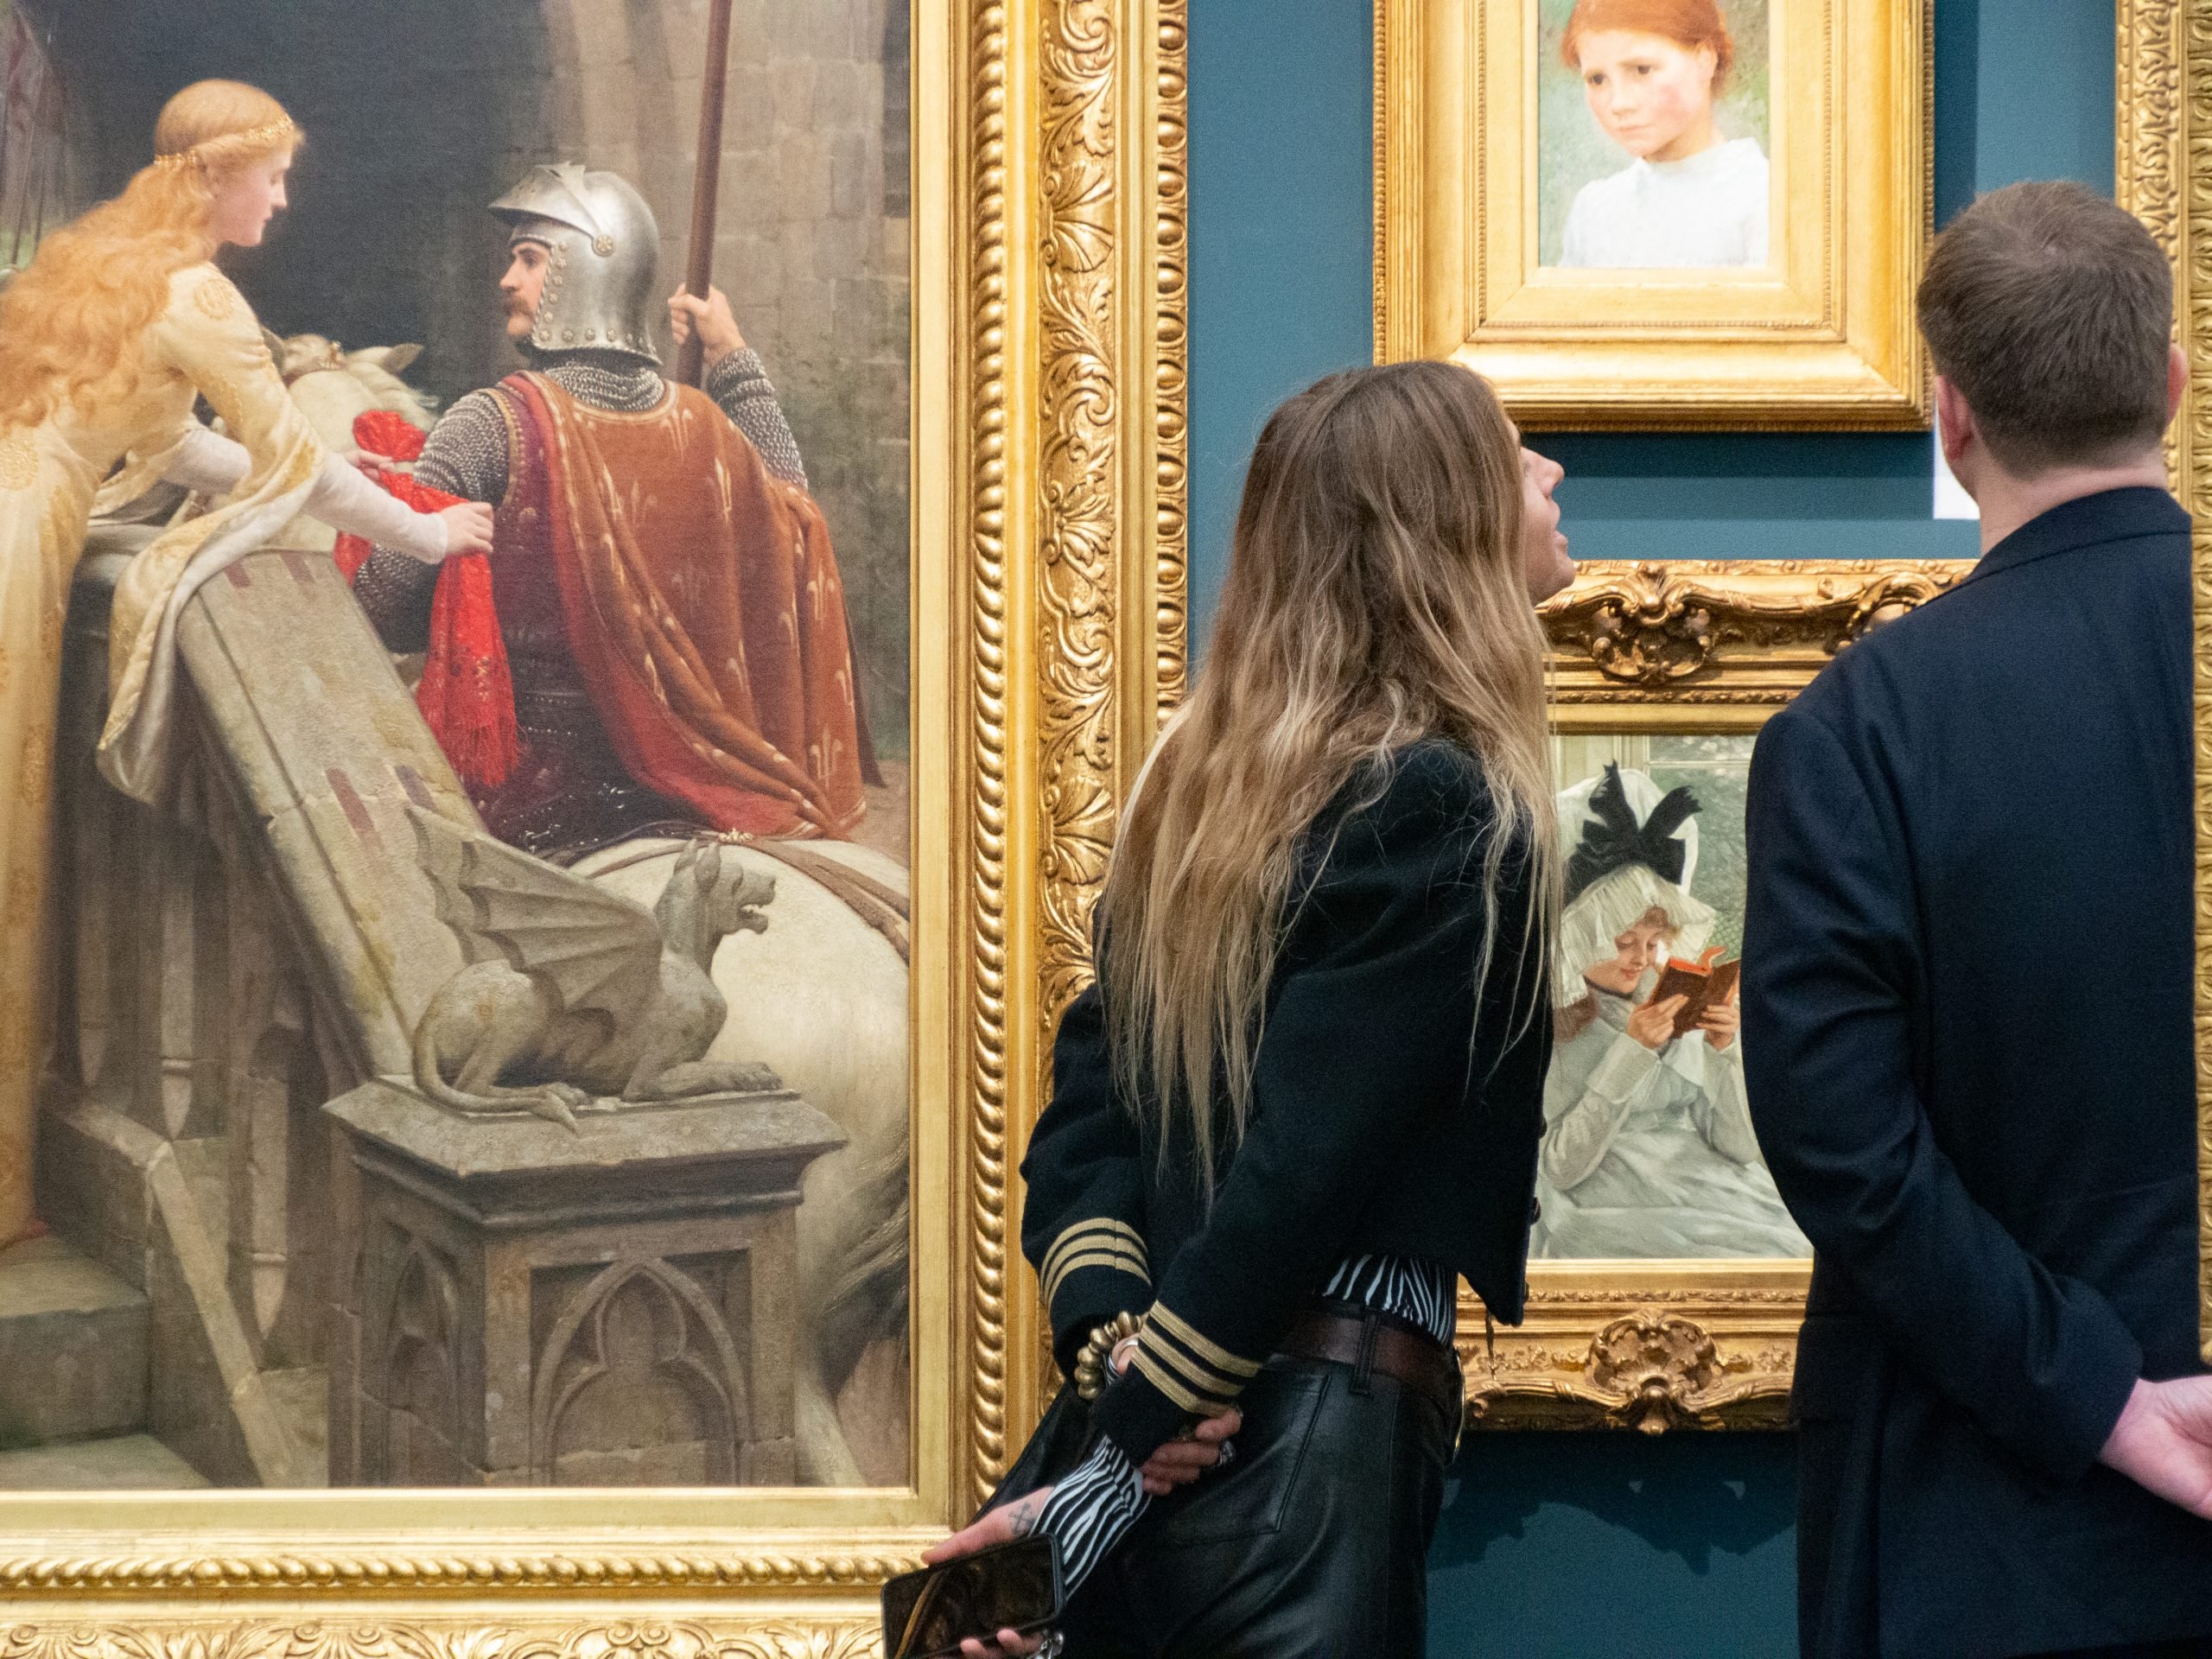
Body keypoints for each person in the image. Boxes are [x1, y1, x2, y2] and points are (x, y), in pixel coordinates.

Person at [923, 359, 1578, 1658]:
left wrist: (1119, 1355)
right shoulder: (1445, 802)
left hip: (1204, 1422)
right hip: (1305, 1446)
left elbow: (1088, 1132)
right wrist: (1127, 1440)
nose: (1550, 474)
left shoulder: (1199, 797)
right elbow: (1302, 1166)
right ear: (1435, 523)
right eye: (1513, 457)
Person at [1742, 180, 2212, 1658]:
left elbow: (1846, 1147)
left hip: (1983, 1534)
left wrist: (2100, 1398)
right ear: (2175, 383)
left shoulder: (1861, 728)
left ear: (1950, 417)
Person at [0, 79, 493, 1250]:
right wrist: (426, 532)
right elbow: (299, 461)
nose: (281, 194)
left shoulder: (102, 260)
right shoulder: (198, 291)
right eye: (269, 172)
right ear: (215, 177)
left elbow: (173, 443)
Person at [347, 162, 873, 863]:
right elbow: (795, 521)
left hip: (534, 801)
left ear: (588, 269)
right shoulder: (705, 426)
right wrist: (730, 353)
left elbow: (382, 609)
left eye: (530, 260)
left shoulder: (492, 423)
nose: (507, 279)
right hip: (696, 792)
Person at [1537, 763, 1804, 1258]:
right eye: (1623, 943)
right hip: (1612, 1205)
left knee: (1787, 1242)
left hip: (1701, 1184)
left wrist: (1726, 1052)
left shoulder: (1669, 1002)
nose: (1640, 958)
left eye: (1654, 941)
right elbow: (1559, 1166)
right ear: (1580, 936)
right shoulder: (1553, 1023)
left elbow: (1739, 1148)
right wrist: (1632, 1050)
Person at [1555, 0, 1769, 270]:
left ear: (1704, 59)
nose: (1619, 103)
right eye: (1597, 80)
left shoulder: (1764, 196)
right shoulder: (1594, 209)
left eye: (1642, 69)